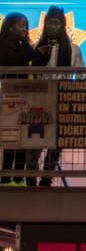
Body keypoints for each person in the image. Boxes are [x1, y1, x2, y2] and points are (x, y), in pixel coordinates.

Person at [31, 5, 76, 186]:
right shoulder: (37, 47)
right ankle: (30, 179)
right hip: (40, 101)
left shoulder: (72, 50)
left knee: (56, 145)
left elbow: (80, 76)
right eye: (50, 23)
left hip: (61, 101)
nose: (53, 27)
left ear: (63, 25)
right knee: (34, 143)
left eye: (57, 23)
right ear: (45, 23)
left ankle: (46, 179)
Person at [0, 13, 35, 182]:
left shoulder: (23, 46)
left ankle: (18, 175)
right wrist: (30, 50)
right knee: (10, 136)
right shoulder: (3, 45)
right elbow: (11, 60)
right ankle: (7, 175)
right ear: (10, 27)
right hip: (6, 97)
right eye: (21, 26)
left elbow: (29, 57)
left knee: (21, 136)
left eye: (26, 26)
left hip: (22, 95)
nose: (24, 29)